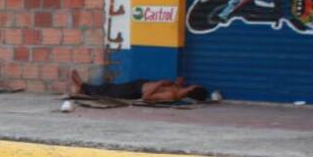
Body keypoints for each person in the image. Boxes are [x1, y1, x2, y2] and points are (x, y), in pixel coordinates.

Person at [69, 70, 210, 103]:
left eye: (195, 85)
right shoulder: (179, 90)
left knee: (109, 91)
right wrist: (176, 83)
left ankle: (82, 85)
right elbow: (170, 87)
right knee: (110, 87)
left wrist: (160, 83)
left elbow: (147, 97)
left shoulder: (172, 96)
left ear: (193, 89)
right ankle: (83, 88)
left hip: (135, 91)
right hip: (139, 84)